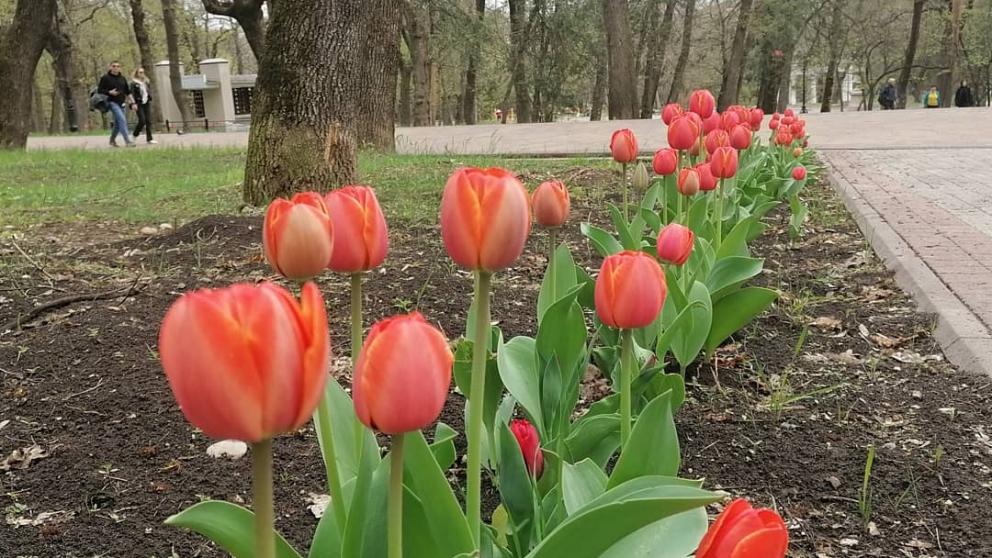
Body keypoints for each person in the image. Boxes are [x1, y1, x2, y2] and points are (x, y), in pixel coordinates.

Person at [97, 61, 136, 147]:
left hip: (121, 102)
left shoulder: (122, 78)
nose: (116, 68)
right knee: (122, 120)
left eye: (118, 66)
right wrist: (109, 92)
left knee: (118, 124)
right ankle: (127, 141)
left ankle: (112, 140)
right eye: (114, 66)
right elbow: (99, 90)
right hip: (111, 102)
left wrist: (133, 103)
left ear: (120, 68)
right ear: (110, 67)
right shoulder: (105, 78)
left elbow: (128, 92)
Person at [130, 68, 157, 144]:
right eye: (140, 72)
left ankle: (149, 138)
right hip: (138, 103)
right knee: (142, 121)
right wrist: (133, 104)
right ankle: (134, 135)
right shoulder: (133, 83)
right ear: (137, 73)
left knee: (148, 121)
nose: (142, 74)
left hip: (146, 102)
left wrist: (149, 97)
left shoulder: (146, 82)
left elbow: (147, 91)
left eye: (143, 72)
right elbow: (131, 94)